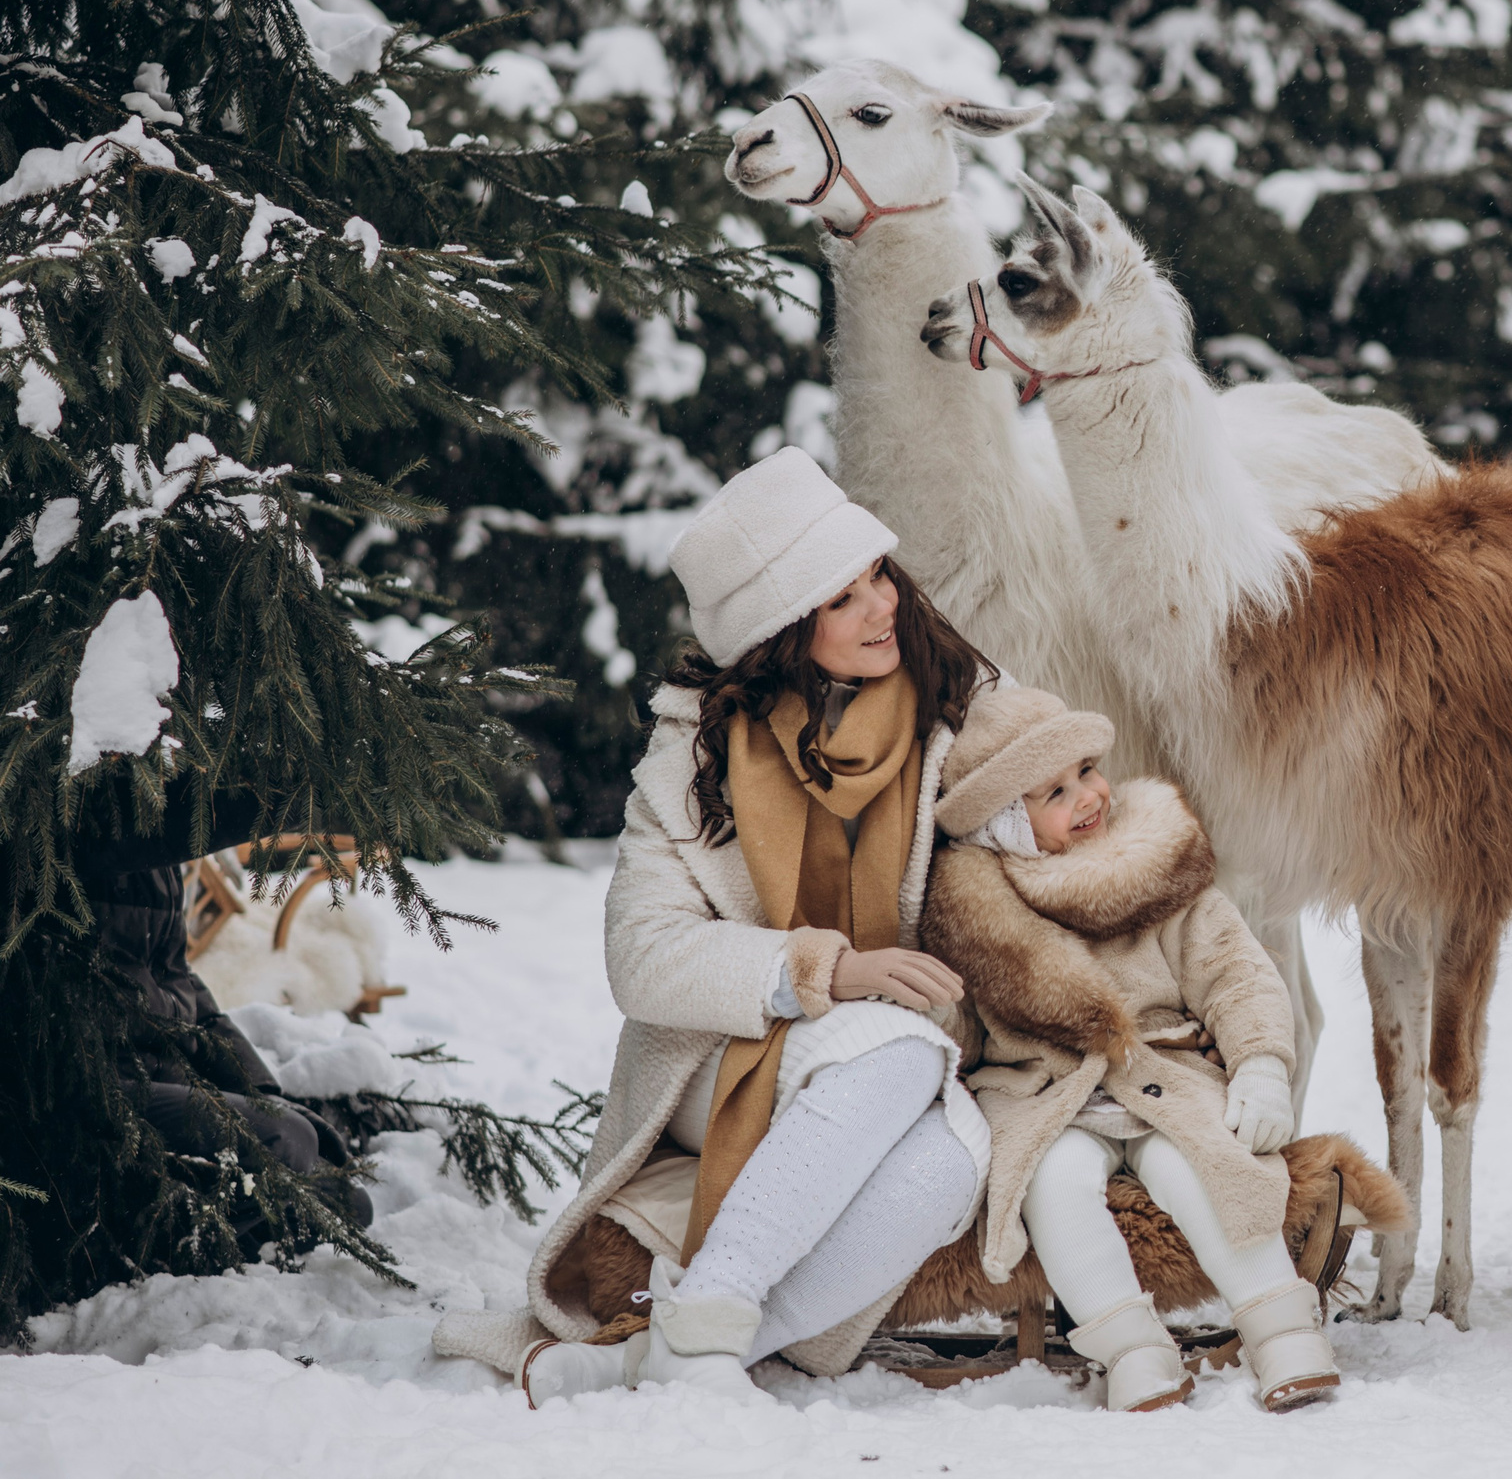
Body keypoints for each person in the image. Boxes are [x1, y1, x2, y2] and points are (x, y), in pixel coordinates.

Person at [431, 447, 996, 1405]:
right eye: (842, 598)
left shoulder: (949, 709)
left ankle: (681, 1347)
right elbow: (642, 956)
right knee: (899, 1055)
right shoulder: (693, 755)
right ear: (782, 630)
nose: (883, 606)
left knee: (953, 1157)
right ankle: (711, 1322)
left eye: (878, 575)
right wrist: (825, 971)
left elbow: (1040, 825)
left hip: (905, 1050)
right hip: (723, 1056)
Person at [919, 688, 1342, 1412]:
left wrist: (1261, 1064)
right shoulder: (977, 917)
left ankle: (1281, 1325)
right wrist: (932, 1013)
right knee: (1053, 1185)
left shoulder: (1155, 870)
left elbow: (1236, 974)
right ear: (1005, 823)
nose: (1088, 795)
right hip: (1044, 1096)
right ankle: (1130, 1349)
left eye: (1087, 770)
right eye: (1055, 792)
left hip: (1166, 1074)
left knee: (1202, 1167)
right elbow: (960, 1031)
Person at [73, 786, 374, 1240]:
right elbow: (182, 822)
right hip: (107, 1085)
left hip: (169, 1075)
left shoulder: (160, 867)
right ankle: (171, 1240)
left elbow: (184, 983)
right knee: (286, 1141)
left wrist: (259, 1090)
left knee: (348, 1200)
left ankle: (219, 1220)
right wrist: (294, 784)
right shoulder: (83, 823)